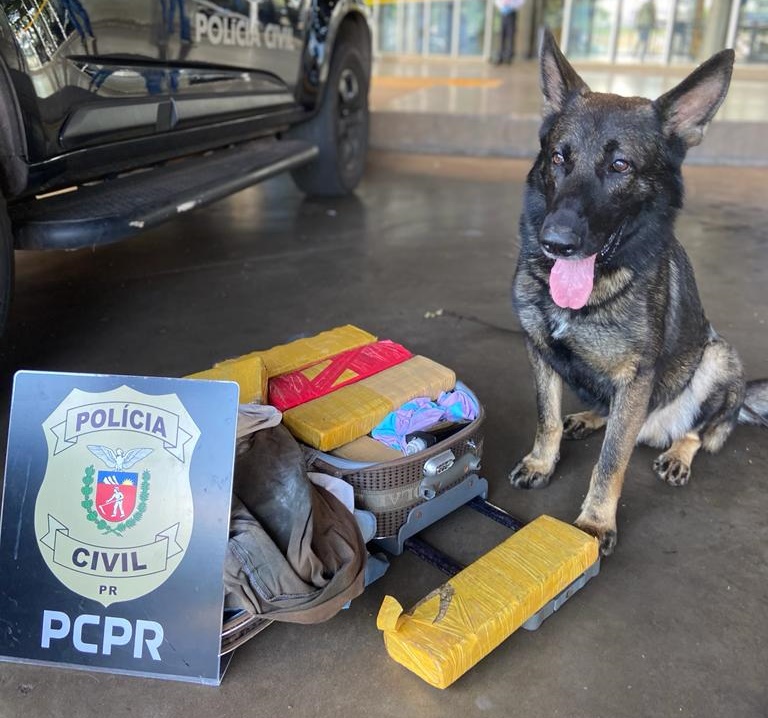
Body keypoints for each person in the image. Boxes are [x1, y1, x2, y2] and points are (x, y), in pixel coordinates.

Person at [492, 0, 525, 65]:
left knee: (510, 35)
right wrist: (503, 4)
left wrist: (511, 4)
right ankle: (500, 56)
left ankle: (509, 57)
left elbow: (521, 2)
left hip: (511, 13)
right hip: (503, 13)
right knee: (501, 36)